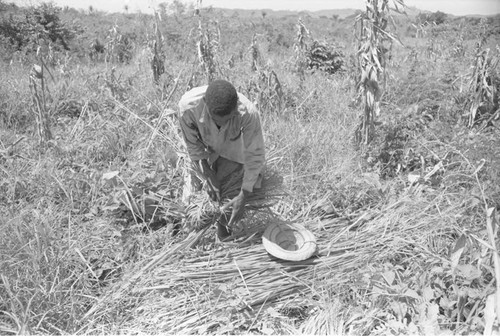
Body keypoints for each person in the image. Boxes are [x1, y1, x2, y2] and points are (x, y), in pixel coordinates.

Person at [178, 79, 265, 238]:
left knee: (227, 199)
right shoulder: (188, 106)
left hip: (230, 149)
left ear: (235, 108)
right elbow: (192, 144)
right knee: (191, 201)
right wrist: (208, 174)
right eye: (218, 120)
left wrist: (244, 195)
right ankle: (190, 239)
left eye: (228, 119)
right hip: (201, 149)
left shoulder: (248, 113)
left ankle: (224, 237)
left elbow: (256, 154)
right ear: (205, 104)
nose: (223, 123)